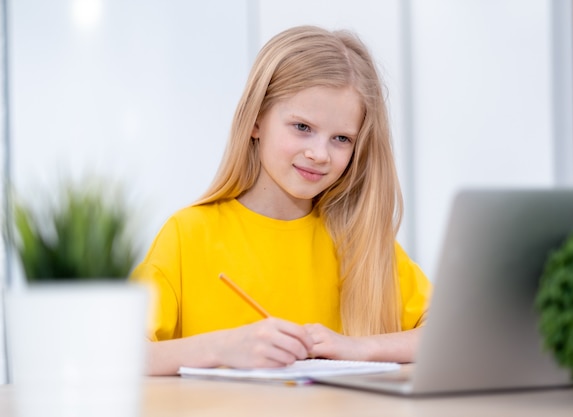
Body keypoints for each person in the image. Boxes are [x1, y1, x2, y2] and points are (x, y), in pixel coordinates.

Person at [131, 25, 432, 376]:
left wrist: (360, 347)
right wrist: (222, 347)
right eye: (302, 127)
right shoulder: (188, 235)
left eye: (341, 138)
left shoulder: (361, 242)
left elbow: (453, 335)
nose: (319, 153)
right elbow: (117, 356)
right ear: (257, 120)